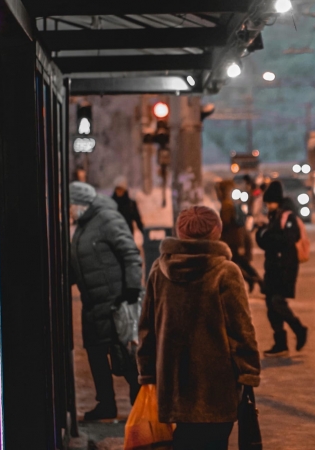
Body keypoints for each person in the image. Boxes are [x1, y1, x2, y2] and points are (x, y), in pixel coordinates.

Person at [137, 206, 260, 450]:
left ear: (179, 231)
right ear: (216, 232)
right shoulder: (226, 272)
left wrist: (148, 372)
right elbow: (241, 330)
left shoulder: (159, 270)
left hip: (173, 384)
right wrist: (248, 372)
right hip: (216, 385)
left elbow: (146, 328)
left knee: (184, 440)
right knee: (214, 441)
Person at [69, 181, 142, 420]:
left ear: (80, 203)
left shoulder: (108, 219)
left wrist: (131, 289)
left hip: (116, 302)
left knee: (126, 355)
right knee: (96, 353)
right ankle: (106, 404)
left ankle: (140, 405)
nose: (68, 210)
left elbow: (130, 253)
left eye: (69, 205)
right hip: (93, 303)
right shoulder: (83, 224)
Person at [255, 181, 308, 357]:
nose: (267, 206)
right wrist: (263, 234)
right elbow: (264, 242)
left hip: (285, 266)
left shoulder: (288, 217)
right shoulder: (274, 217)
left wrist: (267, 234)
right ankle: (280, 343)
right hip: (272, 266)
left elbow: (287, 240)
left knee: (277, 301)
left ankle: (299, 329)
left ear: (276, 201)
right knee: (270, 305)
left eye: (269, 202)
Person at [217, 180, 262, 293]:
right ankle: (257, 281)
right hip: (235, 239)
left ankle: (253, 280)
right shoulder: (229, 203)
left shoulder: (226, 205)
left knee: (234, 264)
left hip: (232, 240)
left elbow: (226, 223)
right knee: (241, 264)